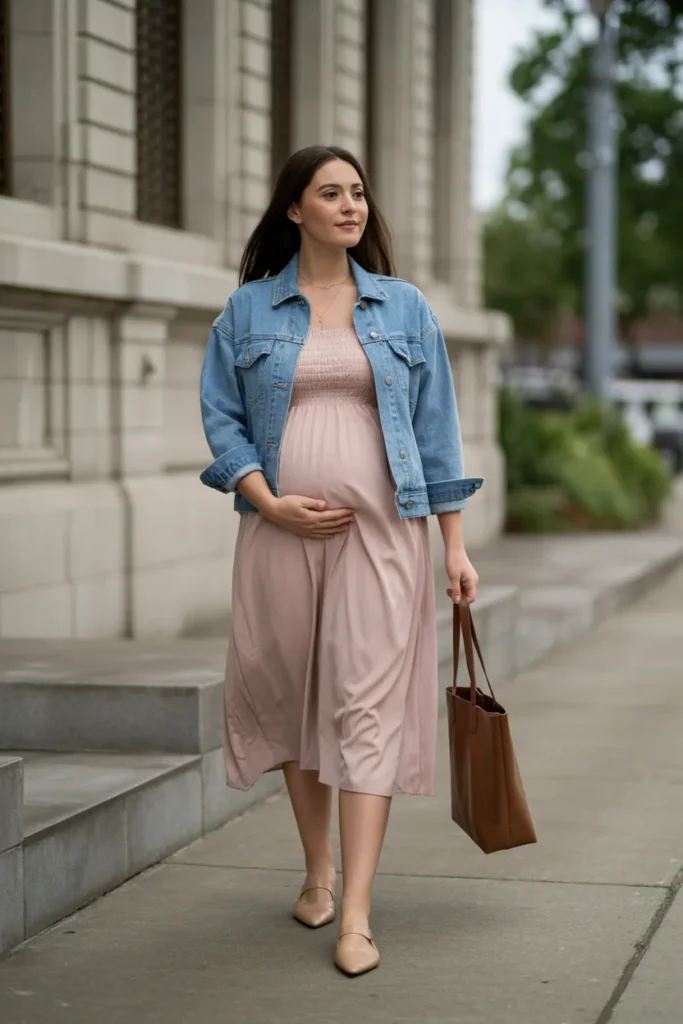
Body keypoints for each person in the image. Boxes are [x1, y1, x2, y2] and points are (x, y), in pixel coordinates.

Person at [200, 145, 481, 977]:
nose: (351, 205)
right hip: (279, 534)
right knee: (288, 692)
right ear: (295, 210)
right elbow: (222, 420)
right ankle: (316, 870)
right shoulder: (248, 312)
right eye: (331, 193)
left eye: (358, 191)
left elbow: (437, 433)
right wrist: (266, 499)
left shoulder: (403, 309)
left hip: (384, 536)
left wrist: (453, 547)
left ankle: (354, 912)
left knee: (364, 702)